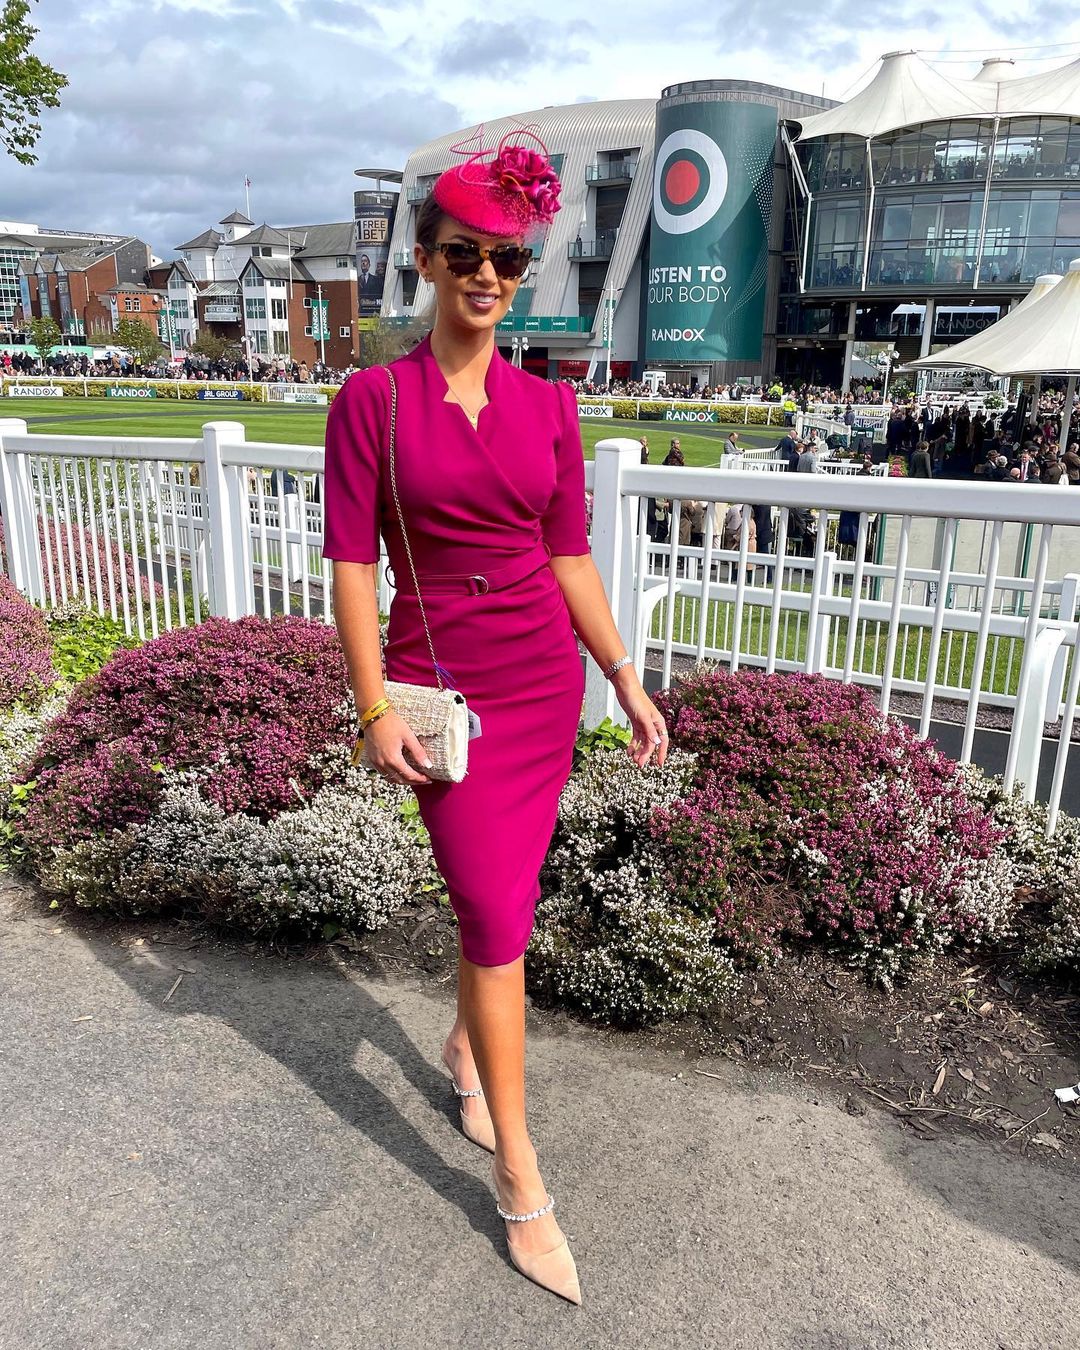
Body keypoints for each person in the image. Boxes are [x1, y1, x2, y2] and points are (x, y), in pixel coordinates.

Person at [321, 134, 668, 1306]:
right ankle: (521, 1175)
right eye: (464, 254)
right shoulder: (373, 399)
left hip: (538, 690)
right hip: (440, 696)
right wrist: (371, 703)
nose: (485, 276)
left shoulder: (551, 407)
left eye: (507, 261)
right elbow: (352, 569)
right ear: (423, 261)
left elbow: (567, 555)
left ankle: (469, 1047)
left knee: (504, 902)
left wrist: (618, 672)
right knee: (487, 908)